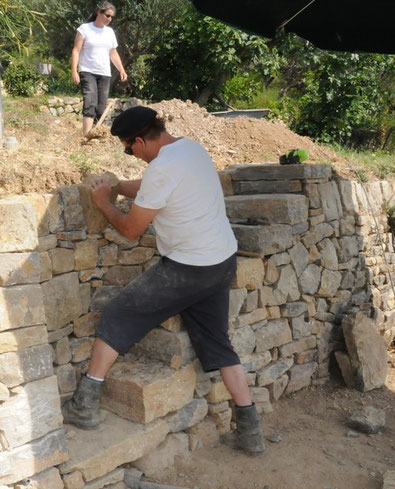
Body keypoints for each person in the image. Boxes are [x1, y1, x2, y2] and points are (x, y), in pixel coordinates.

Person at [62, 106, 265, 456]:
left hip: (188, 269)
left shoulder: (161, 168)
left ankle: (84, 406)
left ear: (140, 140)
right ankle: (252, 433)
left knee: (116, 316)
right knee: (219, 344)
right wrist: (118, 186)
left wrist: (103, 202)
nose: (131, 154)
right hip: (220, 261)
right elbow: (157, 186)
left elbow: (129, 229)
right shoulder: (190, 149)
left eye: (129, 148)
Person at [71, 2, 127, 135]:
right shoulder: (84, 29)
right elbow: (76, 51)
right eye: (107, 15)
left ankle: (95, 135)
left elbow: (113, 53)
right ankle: (86, 135)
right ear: (99, 12)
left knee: (101, 106)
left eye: (112, 17)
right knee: (90, 102)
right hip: (87, 71)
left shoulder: (110, 32)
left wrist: (121, 70)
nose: (110, 19)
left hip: (104, 73)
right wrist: (74, 71)